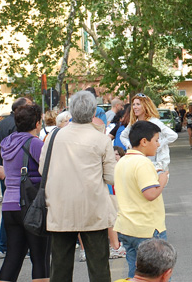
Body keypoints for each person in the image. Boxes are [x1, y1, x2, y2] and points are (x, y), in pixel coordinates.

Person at [39, 90, 115, 281]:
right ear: (93, 113)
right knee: (99, 267)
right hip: (93, 209)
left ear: (71, 111)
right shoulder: (102, 139)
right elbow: (111, 177)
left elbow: (43, 170)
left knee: (60, 267)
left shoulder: (54, 138)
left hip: (60, 208)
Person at [0, 104, 50, 282]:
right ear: (37, 123)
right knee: (40, 258)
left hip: (9, 205)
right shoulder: (34, 143)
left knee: (13, 257)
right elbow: (48, 170)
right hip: (30, 204)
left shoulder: (7, 143)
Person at [114, 121, 169, 280]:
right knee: (157, 275)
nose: (158, 144)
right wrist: (162, 180)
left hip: (126, 227)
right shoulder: (143, 163)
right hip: (146, 228)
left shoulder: (122, 161)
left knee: (135, 274)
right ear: (144, 141)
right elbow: (150, 193)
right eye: (156, 140)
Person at [0, 97, 32, 259]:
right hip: (15, 173)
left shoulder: (1, 124)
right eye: (29, 107)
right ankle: (12, 245)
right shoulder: (16, 126)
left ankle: (3, 245)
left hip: (3, 170)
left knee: (8, 210)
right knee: (20, 209)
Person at [120, 93, 177, 172]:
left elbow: (173, 135)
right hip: (140, 163)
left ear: (145, 106)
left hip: (157, 165)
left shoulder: (154, 122)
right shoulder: (133, 123)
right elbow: (123, 136)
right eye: (133, 104)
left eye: (138, 104)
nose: (135, 107)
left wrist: (158, 146)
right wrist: (131, 147)